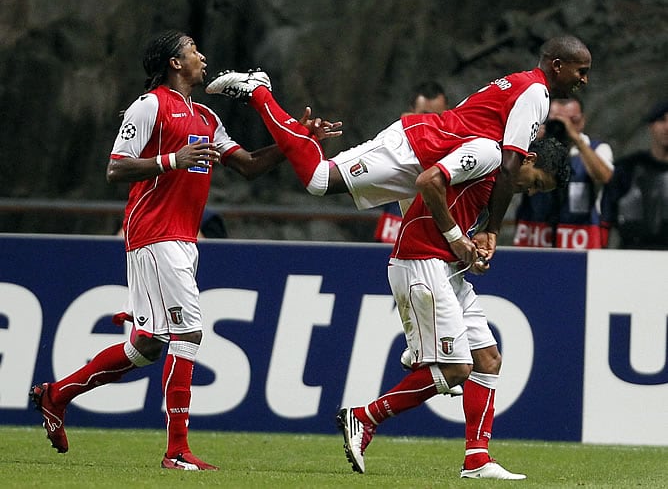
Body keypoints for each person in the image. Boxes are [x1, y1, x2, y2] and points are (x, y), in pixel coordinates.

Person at [29, 29, 340, 470]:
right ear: (175, 62)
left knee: (148, 345)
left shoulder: (207, 118)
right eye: (193, 50)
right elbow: (116, 168)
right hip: (155, 233)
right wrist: (172, 160)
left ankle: (56, 395)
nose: (203, 56)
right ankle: (176, 451)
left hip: (183, 238)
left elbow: (248, 165)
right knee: (188, 333)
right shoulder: (150, 104)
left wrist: (299, 142)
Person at [206, 35, 591, 265]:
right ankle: (259, 91)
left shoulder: (522, 84)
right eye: (580, 71)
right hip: (415, 147)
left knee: (427, 241)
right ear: (557, 66)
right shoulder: (535, 93)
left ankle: (426, 342)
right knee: (319, 180)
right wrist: (492, 231)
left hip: (432, 155)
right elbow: (508, 168)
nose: (584, 80)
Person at [337, 137, 570, 478]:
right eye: (535, 182)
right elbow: (427, 181)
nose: (530, 191)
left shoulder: (494, 188)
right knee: (457, 369)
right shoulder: (486, 156)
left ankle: (477, 459)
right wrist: (457, 239)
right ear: (527, 158)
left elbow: (459, 221)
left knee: (488, 359)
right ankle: (365, 417)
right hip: (420, 261)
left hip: (448, 270)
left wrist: (472, 253)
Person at [513, 95, 614, 248]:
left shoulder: (594, 149)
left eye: (572, 121)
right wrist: (530, 140)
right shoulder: (534, 149)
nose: (564, 126)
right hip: (535, 236)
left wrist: (577, 140)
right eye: (557, 121)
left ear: (582, 120)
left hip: (579, 239)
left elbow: (605, 177)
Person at [374, 80, 449, 244]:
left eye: (435, 117)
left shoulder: (454, 145)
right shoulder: (393, 139)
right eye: (423, 115)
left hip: (437, 223)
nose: (429, 123)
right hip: (397, 215)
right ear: (411, 112)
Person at [600, 100, 668, 249]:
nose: (667, 127)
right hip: (631, 256)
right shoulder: (627, 168)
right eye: (661, 120)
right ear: (651, 126)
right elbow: (606, 218)